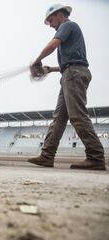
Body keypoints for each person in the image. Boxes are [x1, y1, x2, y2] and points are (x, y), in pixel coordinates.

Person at [28, 4, 106, 170]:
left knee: (77, 115)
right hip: (70, 74)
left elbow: (52, 45)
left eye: (50, 20)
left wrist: (37, 61)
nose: (50, 24)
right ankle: (46, 156)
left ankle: (96, 157)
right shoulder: (70, 29)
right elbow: (70, 62)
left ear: (60, 14)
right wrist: (50, 69)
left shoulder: (68, 25)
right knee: (59, 118)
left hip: (74, 75)